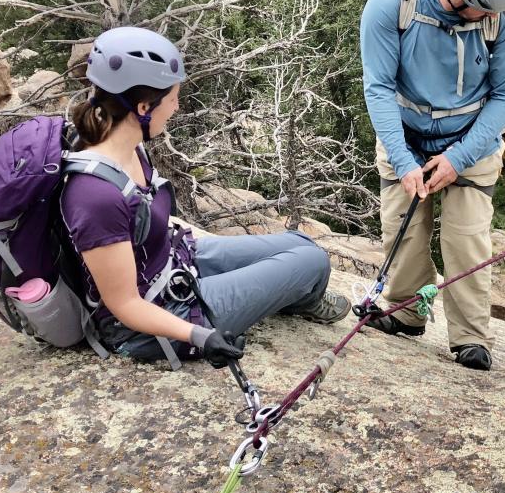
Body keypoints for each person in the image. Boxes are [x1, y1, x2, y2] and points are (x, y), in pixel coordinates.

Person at [61, 26, 349, 368]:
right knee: (310, 263)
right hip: (159, 316)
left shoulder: (125, 144)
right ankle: (296, 292)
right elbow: (124, 305)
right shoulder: (95, 196)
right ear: (142, 107)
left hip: (174, 263)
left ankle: (291, 292)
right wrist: (199, 335)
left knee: (301, 243)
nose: (177, 108)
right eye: (172, 99)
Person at [360, 0, 505, 371]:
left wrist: (458, 158)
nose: (490, 17)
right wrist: (402, 159)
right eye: (481, 9)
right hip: (406, 134)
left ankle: (471, 337)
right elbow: (377, 88)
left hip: (472, 137)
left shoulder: (501, 16)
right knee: (404, 231)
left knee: (466, 238)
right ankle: (406, 313)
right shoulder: (391, 3)